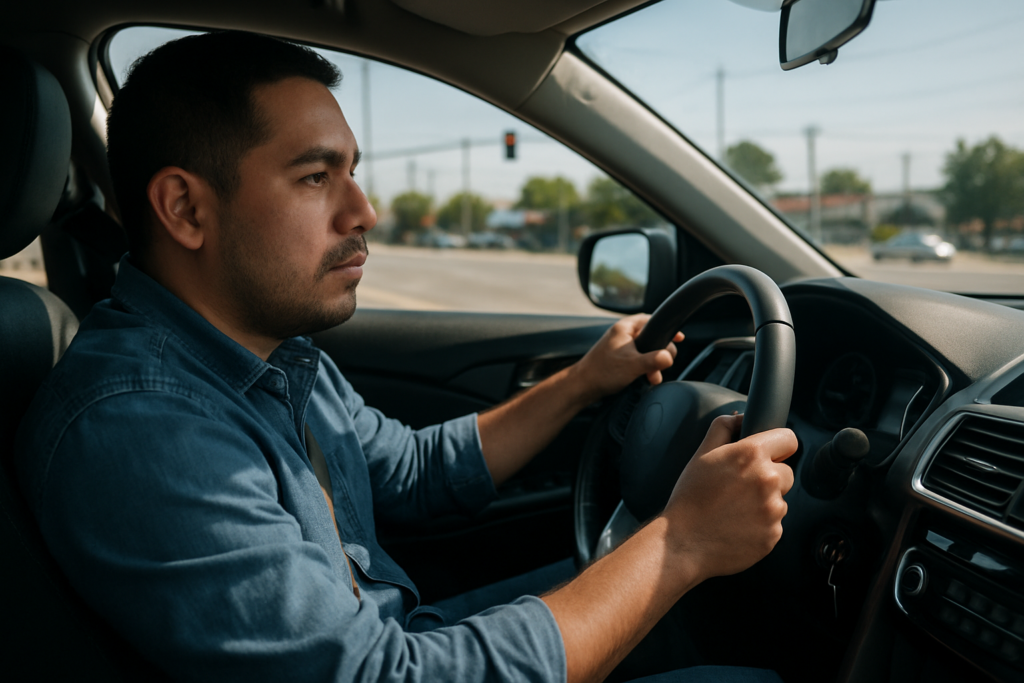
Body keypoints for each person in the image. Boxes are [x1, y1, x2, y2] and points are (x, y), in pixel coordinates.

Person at [15, 32, 796, 683]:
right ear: (186, 208)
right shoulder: (141, 423)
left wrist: (583, 381)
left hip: (401, 636)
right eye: (316, 176)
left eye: (351, 171)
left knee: (703, 617)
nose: (364, 211)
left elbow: (414, 472)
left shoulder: (274, 351)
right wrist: (681, 542)